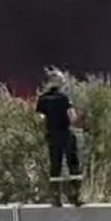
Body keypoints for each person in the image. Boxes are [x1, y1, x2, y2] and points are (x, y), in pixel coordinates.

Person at [35, 69, 84, 207]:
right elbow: (72, 117)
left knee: (55, 166)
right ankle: (75, 196)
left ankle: (56, 198)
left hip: (52, 136)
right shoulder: (64, 98)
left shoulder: (42, 99)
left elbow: (39, 118)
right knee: (73, 164)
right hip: (66, 134)